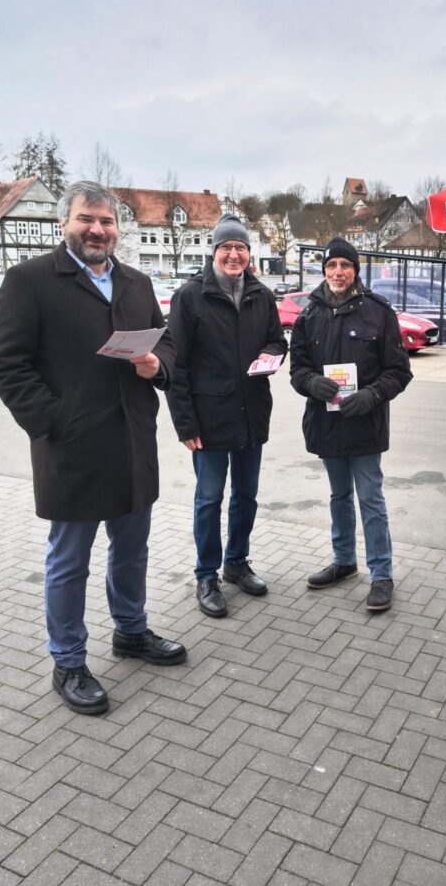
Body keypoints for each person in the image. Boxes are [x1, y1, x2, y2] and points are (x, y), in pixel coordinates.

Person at [0, 181, 186, 717]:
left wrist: (157, 364)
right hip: (72, 447)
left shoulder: (138, 282)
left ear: (118, 229)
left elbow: (163, 338)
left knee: (133, 549)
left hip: (131, 441)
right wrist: (53, 422)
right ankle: (68, 660)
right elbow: (6, 363)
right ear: (64, 224)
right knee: (69, 561)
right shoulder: (29, 281)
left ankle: (131, 631)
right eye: (87, 220)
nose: (98, 230)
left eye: (107, 222)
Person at [166, 213, 287, 617]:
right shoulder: (190, 296)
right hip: (208, 417)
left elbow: (276, 338)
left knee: (246, 496)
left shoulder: (261, 294)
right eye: (226, 248)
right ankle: (206, 574)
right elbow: (177, 364)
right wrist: (185, 423)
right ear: (215, 252)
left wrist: (273, 353)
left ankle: (236, 563)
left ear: (249, 254)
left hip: (251, 412)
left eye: (240, 248)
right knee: (208, 499)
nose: (234, 254)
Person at [290, 238, 412, 612]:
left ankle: (381, 574)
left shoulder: (378, 312)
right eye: (332, 265)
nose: (338, 271)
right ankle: (344, 561)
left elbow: (399, 372)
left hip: (365, 424)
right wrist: (311, 383)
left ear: (356, 270)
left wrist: (372, 395)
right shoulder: (309, 313)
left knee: (370, 499)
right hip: (326, 425)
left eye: (345, 264)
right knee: (338, 496)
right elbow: (297, 370)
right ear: (323, 270)